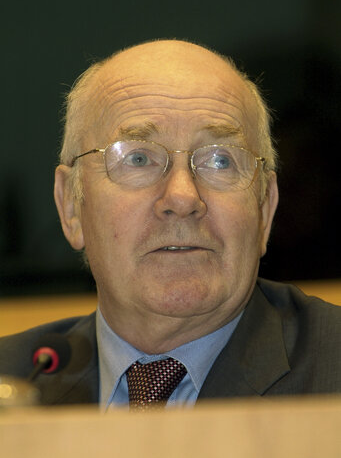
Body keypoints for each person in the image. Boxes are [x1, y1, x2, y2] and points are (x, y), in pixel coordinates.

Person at [1, 39, 340, 407]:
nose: (182, 198)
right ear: (70, 205)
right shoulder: (14, 381)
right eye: (138, 159)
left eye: (220, 161)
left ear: (265, 210)